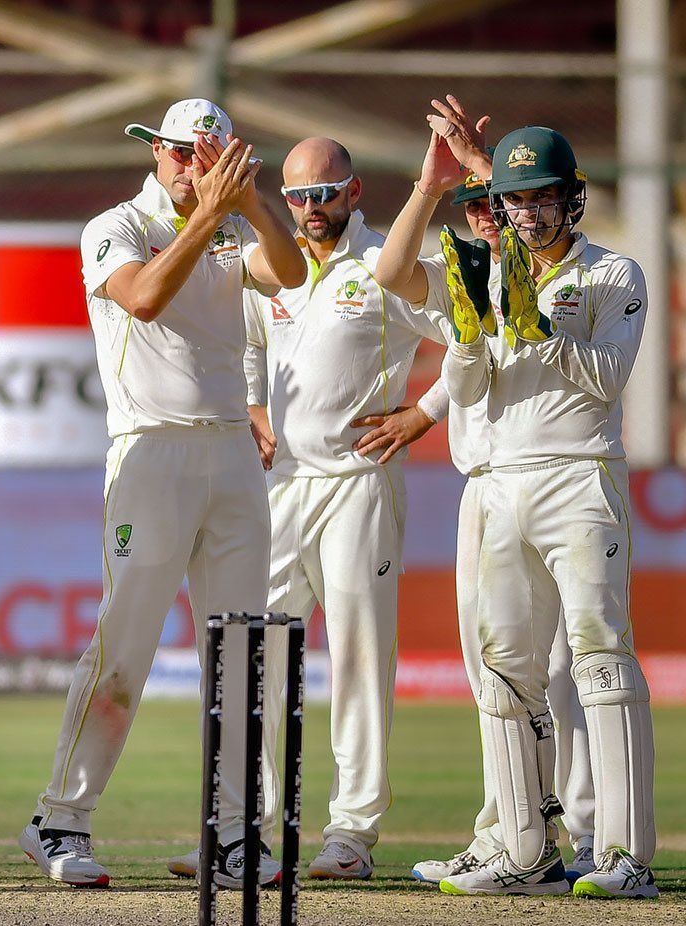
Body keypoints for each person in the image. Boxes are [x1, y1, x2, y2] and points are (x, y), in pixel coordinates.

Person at [19, 98, 305, 888]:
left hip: (232, 453)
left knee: (242, 649)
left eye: (204, 155)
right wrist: (204, 218)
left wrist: (248, 202)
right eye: (178, 153)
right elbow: (142, 297)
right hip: (150, 451)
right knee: (126, 644)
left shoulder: (233, 223)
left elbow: (291, 271)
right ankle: (60, 819)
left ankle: (234, 835)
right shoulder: (116, 225)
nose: (188, 168)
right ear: (155, 152)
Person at [431, 113, 656, 899]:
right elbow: (468, 391)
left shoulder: (614, 274)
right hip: (504, 481)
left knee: (598, 656)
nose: (527, 214)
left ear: (572, 200)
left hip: (581, 475)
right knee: (505, 670)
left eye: (542, 199)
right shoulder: (493, 272)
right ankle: (525, 852)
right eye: (515, 200)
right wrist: (469, 334)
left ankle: (626, 858)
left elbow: (607, 378)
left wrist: (538, 328)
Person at [372, 110, 596, 885]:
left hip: (559, 480)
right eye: (480, 204)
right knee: (498, 676)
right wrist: (431, 184)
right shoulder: (468, 272)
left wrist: (481, 167)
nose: (485, 215)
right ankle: (511, 835)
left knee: (565, 677)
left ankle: (583, 840)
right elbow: (389, 270)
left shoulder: (557, 273)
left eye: (493, 202)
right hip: (489, 490)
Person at [243, 137, 449, 880]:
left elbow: (468, 340)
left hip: (360, 482)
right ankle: (247, 829)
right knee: (256, 651)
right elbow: (248, 331)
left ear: (355, 192)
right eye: (297, 196)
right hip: (286, 484)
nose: (310, 209)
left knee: (358, 655)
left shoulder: (385, 263)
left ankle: (350, 840)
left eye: (325, 193)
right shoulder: (276, 263)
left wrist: (423, 414)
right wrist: (250, 400)